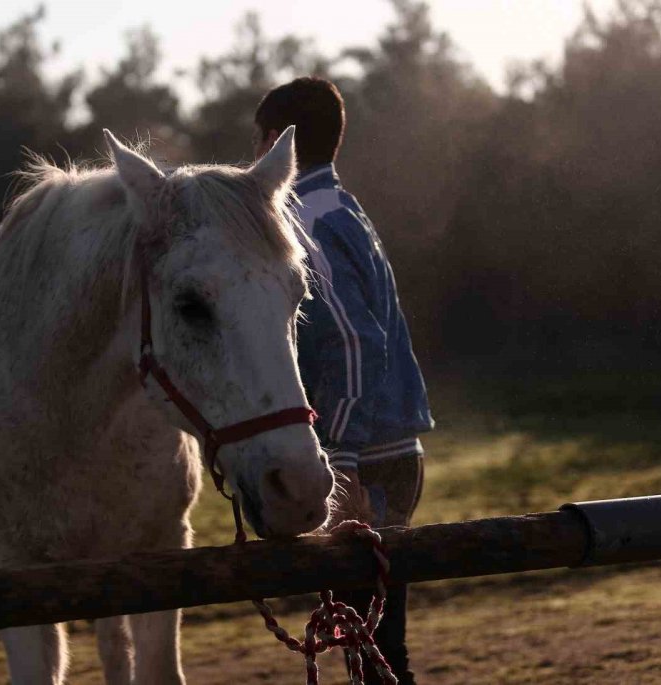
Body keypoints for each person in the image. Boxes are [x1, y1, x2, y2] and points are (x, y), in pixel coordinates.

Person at [253, 77, 434, 685]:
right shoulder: (343, 207)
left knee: (375, 651)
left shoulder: (303, 221)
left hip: (364, 456)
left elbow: (356, 339)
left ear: (279, 140)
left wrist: (344, 459)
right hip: (393, 445)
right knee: (378, 647)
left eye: (261, 141)